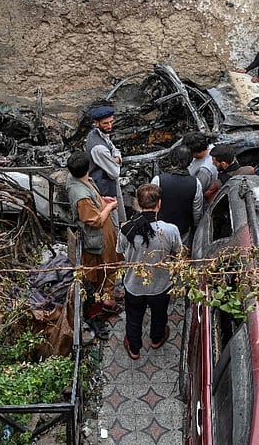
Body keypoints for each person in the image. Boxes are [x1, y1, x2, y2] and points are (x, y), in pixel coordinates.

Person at [117, 184, 183, 360]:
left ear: (137, 203)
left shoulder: (126, 230)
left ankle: (134, 348)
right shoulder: (170, 230)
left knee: (133, 317)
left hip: (133, 285)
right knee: (159, 314)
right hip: (160, 284)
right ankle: (156, 338)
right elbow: (177, 253)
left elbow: (120, 253)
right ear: (159, 204)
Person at [65, 152, 124, 335]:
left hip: (103, 232)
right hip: (97, 236)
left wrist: (101, 201)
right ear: (88, 167)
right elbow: (95, 220)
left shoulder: (77, 180)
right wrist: (109, 207)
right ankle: (106, 301)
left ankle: (108, 294)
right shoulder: (81, 196)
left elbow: (92, 199)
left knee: (108, 264)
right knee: (105, 267)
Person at [151, 146, 203, 249]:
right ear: (190, 162)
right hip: (183, 229)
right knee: (180, 256)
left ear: (172, 159)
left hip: (160, 229)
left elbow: (150, 204)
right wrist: (195, 226)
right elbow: (197, 211)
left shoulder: (158, 180)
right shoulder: (195, 183)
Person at [85, 105, 125, 222]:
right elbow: (114, 172)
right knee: (111, 220)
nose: (109, 126)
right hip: (104, 188)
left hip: (106, 183)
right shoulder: (98, 148)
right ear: (96, 123)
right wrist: (116, 160)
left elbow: (115, 150)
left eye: (111, 122)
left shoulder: (100, 134)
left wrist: (116, 158)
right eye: (105, 123)